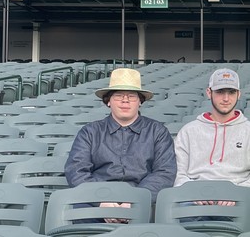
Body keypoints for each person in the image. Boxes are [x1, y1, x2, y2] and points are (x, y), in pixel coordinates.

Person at [64, 68, 176, 205]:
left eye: (131, 96)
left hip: (143, 202)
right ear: (108, 101)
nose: (125, 101)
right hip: (97, 201)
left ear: (140, 101)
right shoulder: (90, 132)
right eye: (118, 96)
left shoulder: (158, 132)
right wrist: (100, 200)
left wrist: (136, 200)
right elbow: (76, 170)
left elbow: (164, 172)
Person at [174, 68, 250, 197]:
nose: (226, 98)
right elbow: (179, 174)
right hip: (194, 198)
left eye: (231, 92)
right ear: (209, 92)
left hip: (238, 198)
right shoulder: (188, 131)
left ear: (239, 94)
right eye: (220, 92)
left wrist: (237, 195)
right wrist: (195, 194)